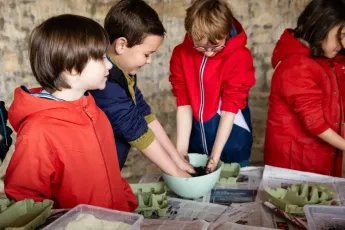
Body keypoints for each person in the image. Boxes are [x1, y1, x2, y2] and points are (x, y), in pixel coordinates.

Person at [4, 14, 137, 211]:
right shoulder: (38, 133)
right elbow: (27, 203)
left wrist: (127, 205)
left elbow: (111, 173)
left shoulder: (94, 113)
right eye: (101, 58)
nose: (109, 65)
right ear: (72, 67)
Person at [90, 0, 194, 177]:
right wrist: (176, 172)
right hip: (94, 171)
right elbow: (136, 130)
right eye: (147, 54)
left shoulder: (124, 72)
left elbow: (143, 113)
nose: (149, 61)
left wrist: (176, 157)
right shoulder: (104, 83)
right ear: (121, 45)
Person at [169, 0, 256, 173]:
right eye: (200, 47)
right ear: (190, 34)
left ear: (225, 32)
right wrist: (181, 151)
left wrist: (215, 157)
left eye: (216, 46)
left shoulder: (240, 56)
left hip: (233, 143)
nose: (209, 53)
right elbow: (184, 103)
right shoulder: (181, 54)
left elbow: (230, 109)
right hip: (197, 141)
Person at [265, 0, 345, 177]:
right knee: (293, 203)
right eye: (341, 35)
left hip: (318, 157)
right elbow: (314, 123)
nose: (342, 43)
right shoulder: (296, 65)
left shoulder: (325, 58)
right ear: (322, 26)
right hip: (296, 164)